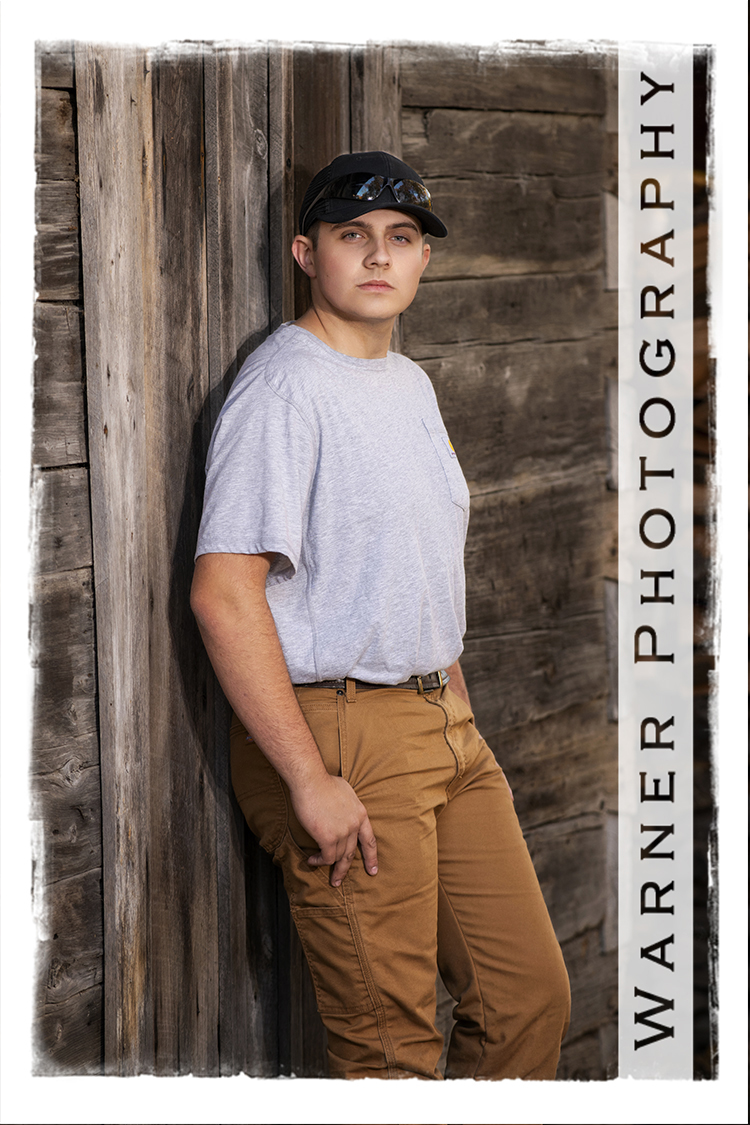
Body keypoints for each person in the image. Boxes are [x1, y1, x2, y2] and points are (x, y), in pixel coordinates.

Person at [190, 150, 570, 1080]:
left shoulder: (408, 384)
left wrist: (455, 700)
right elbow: (223, 590)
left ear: (423, 263)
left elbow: (415, 568)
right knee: (392, 1051)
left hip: (444, 722)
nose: (377, 256)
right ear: (304, 252)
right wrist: (310, 779)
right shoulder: (285, 389)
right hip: (342, 729)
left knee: (527, 998)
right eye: (352, 235)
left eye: (400, 239)